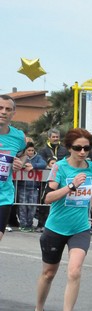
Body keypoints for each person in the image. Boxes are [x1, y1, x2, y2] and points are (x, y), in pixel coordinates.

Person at [29, 128, 92, 311]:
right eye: (78, 148)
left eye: (86, 148)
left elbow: (91, 186)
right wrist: (70, 186)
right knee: (48, 274)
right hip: (56, 228)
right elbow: (48, 197)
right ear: (69, 148)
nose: (83, 152)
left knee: (74, 271)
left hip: (79, 228)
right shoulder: (59, 167)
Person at [0, 95, 26, 241]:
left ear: (13, 113)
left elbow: (23, 154)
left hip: (3, 195)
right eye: (0, 108)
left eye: (8, 109)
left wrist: (20, 163)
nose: (3, 112)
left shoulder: (19, 136)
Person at [17, 142, 46, 231]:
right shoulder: (22, 158)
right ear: (25, 151)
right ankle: (23, 224)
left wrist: (33, 166)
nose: (31, 152)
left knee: (32, 207)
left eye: (32, 150)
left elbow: (44, 164)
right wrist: (24, 165)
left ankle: (29, 225)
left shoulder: (38, 157)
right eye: (29, 150)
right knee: (22, 206)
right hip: (22, 186)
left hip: (34, 187)